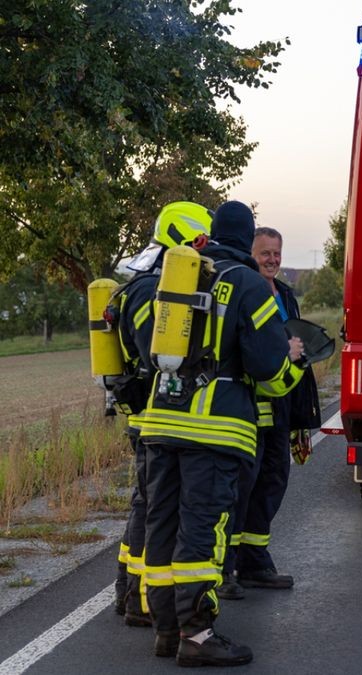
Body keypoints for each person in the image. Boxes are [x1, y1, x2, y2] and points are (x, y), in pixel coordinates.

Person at [139, 201, 306, 667]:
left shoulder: (180, 275)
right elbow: (270, 372)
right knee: (201, 533)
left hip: (159, 422)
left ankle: (167, 631)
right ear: (247, 238)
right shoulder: (250, 284)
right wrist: (295, 361)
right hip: (213, 431)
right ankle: (197, 634)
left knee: (162, 526)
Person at [112, 203, 213, 626]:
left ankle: (131, 594)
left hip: (148, 410)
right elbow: (154, 354)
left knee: (146, 504)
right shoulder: (148, 288)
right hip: (148, 411)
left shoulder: (143, 280)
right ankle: (138, 599)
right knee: (149, 506)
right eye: (202, 244)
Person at [218, 227, 321, 599]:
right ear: (250, 254)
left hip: (280, 408)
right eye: (265, 253)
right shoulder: (247, 292)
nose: (272, 260)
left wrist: (300, 419)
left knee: (273, 483)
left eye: (276, 253)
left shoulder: (286, 295)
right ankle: (225, 568)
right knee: (239, 491)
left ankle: (254, 562)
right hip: (247, 411)